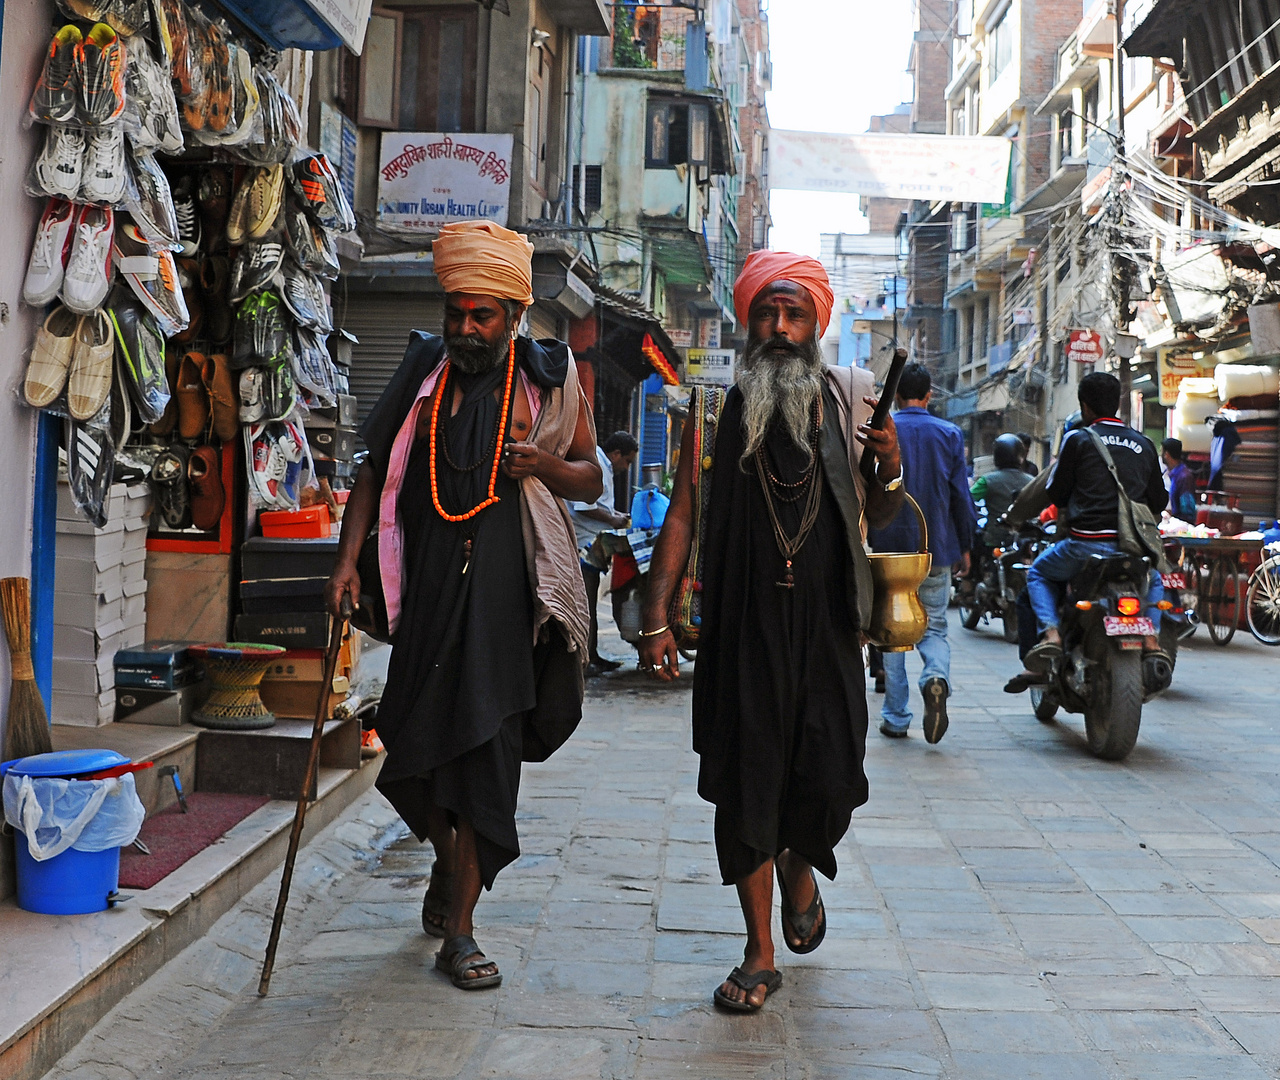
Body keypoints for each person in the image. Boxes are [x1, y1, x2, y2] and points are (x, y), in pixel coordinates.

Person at [325, 220, 603, 991]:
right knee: (415, 751)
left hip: (504, 607)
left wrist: (545, 463)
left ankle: (465, 930)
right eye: (458, 313)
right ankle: (447, 868)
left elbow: (593, 479)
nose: (466, 328)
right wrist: (348, 563)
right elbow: (375, 473)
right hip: (425, 598)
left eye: (482, 315)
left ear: (514, 315)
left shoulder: (548, 378)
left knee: (485, 758)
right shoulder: (423, 370)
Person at [636, 250, 903, 1013]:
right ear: (748, 321)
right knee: (746, 786)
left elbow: (880, 515)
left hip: (826, 630)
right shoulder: (711, 411)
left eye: (794, 315)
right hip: (740, 630)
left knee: (828, 777)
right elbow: (684, 511)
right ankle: (757, 952)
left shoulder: (850, 404)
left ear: (816, 324)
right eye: (767, 313)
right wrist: (655, 614)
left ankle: (799, 862)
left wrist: (885, 468)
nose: (780, 328)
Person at [1004, 372, 1168, 693]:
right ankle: (1151, 638)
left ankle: (1051, 634)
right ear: (1118, 404)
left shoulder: (1077, 440)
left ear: (1085, 406)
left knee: (1037, 573)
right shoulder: (1145, 443)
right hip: (1132, 550)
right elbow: (1159, 500)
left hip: (1084, 547)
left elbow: (1058, 494)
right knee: (1156, 578)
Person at [868, 363, 976, 743]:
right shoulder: (948, 433)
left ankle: (896, 717)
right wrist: (965, 546)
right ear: (929, 395)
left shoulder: (881, 430)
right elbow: (960, 497)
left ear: (895, 395)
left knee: (890, 630)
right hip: (934, 549)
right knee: (935, 627)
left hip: (886, 549)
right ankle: (935, 677)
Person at [571, 430, 639, 674]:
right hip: (584, 546)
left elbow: (600, 506)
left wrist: (618, 517)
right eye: (628, 460)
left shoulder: (604, 468)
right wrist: (612, 520)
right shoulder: (597, 465)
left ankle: (592, 655)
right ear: (616, 453)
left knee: (590, 604)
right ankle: (584, 659)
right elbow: (583, 507)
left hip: (593, 544)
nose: (627, 466)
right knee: (586, 606)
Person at [972, 432, 1033, 550]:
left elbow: (967, 499)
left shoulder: (987, 480)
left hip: (994, 540)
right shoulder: (1032, 481)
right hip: (1024, 541)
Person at [1162, 437, 1198, 522]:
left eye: (1162, 451)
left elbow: (1188, 511)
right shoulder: (1171, 474)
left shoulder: (1184, 477)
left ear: (1166, 454)